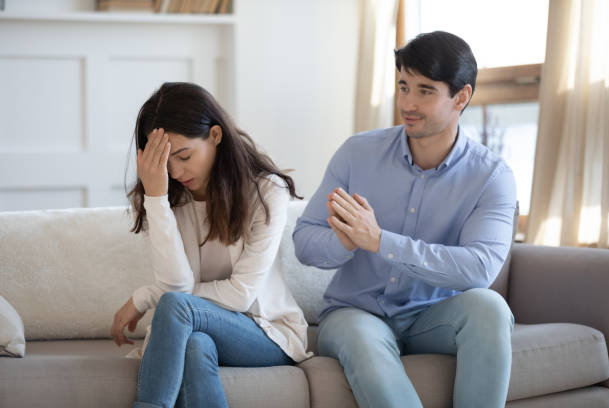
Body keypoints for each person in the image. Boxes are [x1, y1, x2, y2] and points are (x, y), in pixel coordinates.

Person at [293, 31, 516, 408]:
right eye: (403, 86)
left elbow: (479, 269)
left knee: (490, 309)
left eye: (425, 91)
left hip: (433, 316)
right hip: (354, 313)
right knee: (362, 340)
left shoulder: (491, 176)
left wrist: (381, 241)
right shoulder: (357, 154)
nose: (408, 103)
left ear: (461, 97)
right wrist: (343, 242)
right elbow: (304, 240)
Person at [110, 82, 312, 408]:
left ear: (215, 136)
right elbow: (177, 285)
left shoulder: (265, 192)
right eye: (163, 162)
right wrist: (157, 199)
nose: (174, 172)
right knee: (195, 345)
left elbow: (240, 295)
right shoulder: (161, 196)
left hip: (266, 333)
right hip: (198, 329)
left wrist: (148, 296)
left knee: (176, 306)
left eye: (183, 156)